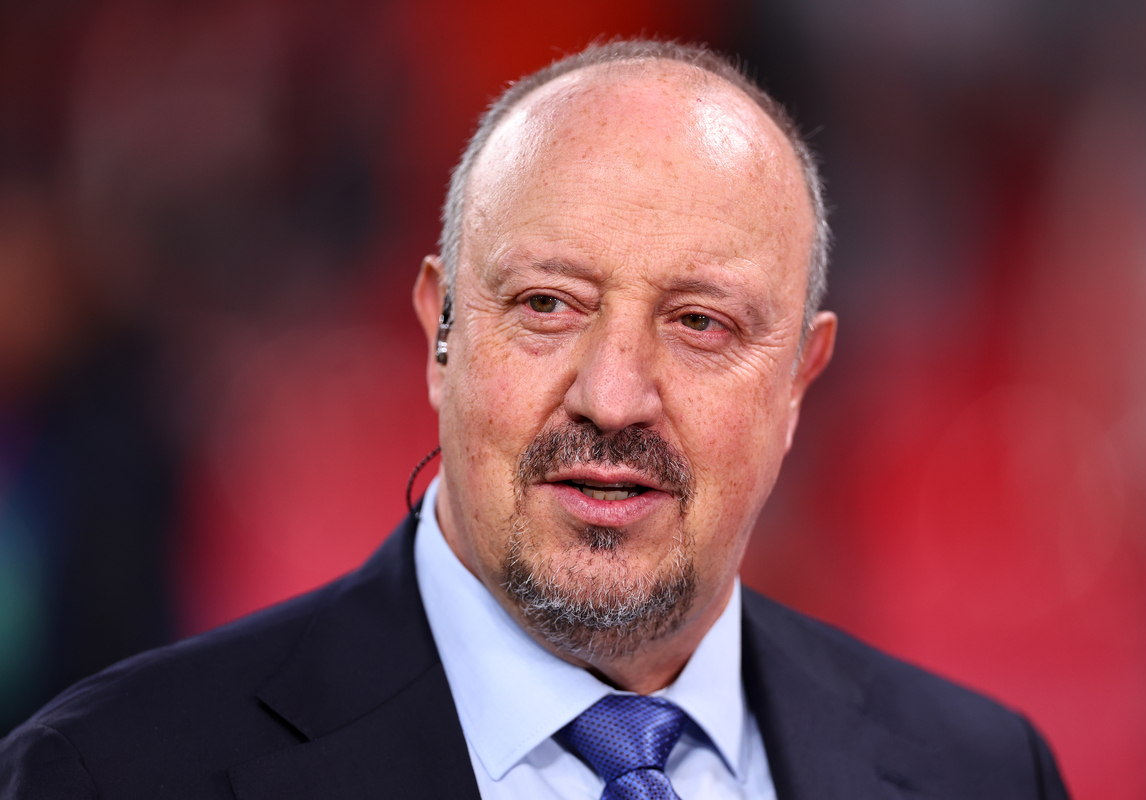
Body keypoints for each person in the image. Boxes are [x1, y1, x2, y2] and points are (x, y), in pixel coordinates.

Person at [0, 40, 1070, 799]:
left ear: (799, 378)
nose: (614, 395)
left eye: (700, 323)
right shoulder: (112, 774)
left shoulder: (984, 774)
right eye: (548, 305)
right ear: (440, 330)